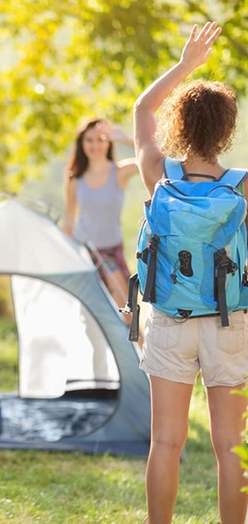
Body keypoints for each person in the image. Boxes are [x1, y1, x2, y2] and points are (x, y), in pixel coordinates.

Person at [134, 21, 248, 524]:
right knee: (230, 449)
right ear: (227, 129)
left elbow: (141, 110)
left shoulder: (159, 175)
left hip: (169, 320)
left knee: (165, 441)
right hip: (229, 322)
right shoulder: (242, 188)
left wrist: (185, 65)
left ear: (177, 125)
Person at [62, 118, 139, 308]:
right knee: (91, 315)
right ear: (81, 144)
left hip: (111, 252)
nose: (94, 145)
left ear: (108, 143)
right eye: (89, 140)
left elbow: (155, 161)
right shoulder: (75, 179)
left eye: (100, 139)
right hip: (85, 253)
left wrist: (124, 138)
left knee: (127, 314)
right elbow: (69, 220)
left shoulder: (120, 172)